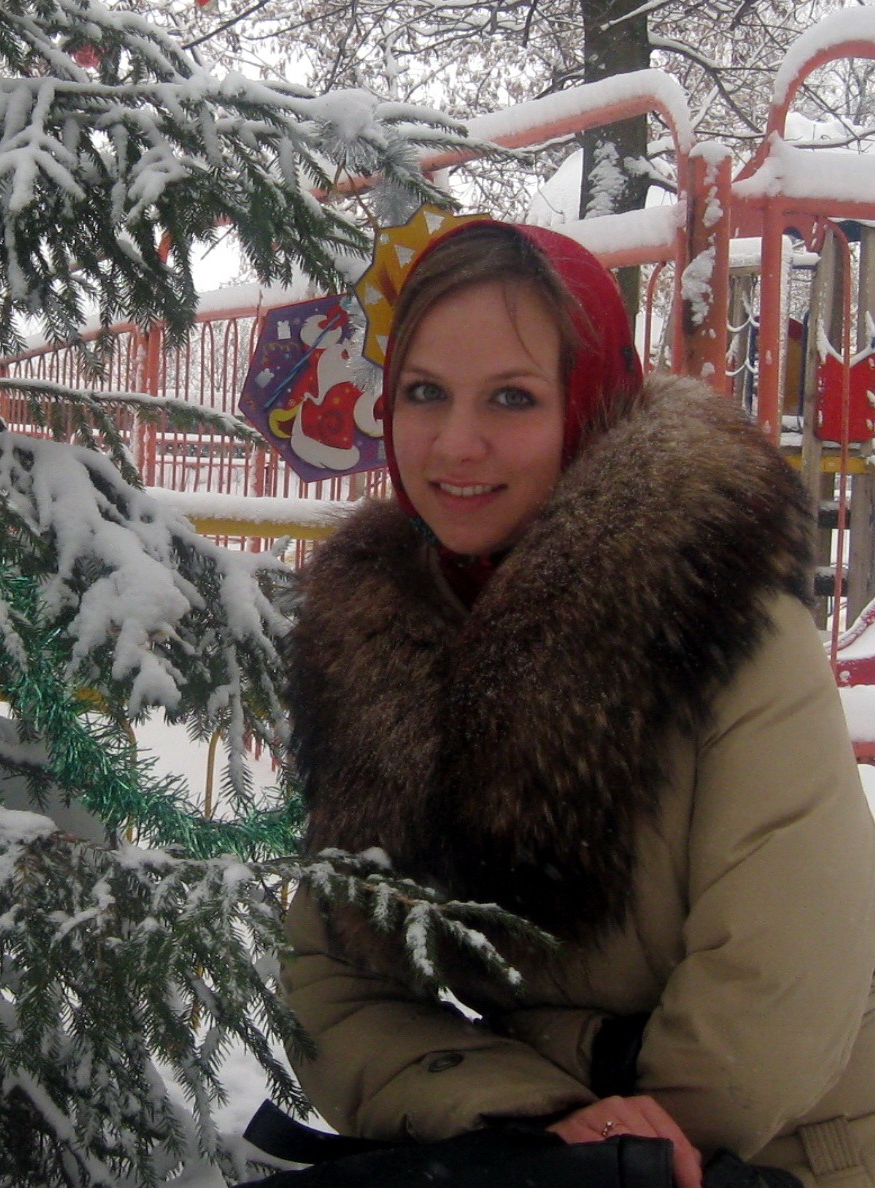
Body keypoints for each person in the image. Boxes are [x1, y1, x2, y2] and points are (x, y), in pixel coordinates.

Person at [280, 217, 875, 1188]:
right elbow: (330, 979)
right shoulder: (378, 642)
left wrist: (618, 1152)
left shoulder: (722, 626)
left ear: (591, 405)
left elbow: (778, 1000)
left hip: (787, 1154)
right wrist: (535, 1119)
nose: (455, 442)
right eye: (424, 392)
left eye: (511, 397)